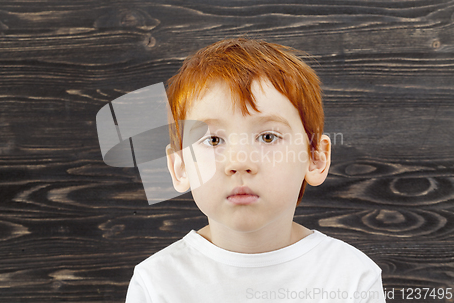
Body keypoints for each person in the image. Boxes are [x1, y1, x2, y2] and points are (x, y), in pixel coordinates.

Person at [125, 38, 386, 302]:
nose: (239, 162)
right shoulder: (156, 284)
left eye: (268, 137)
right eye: (213, 140)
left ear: (316, 157)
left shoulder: (352, 278)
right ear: (179, 167)